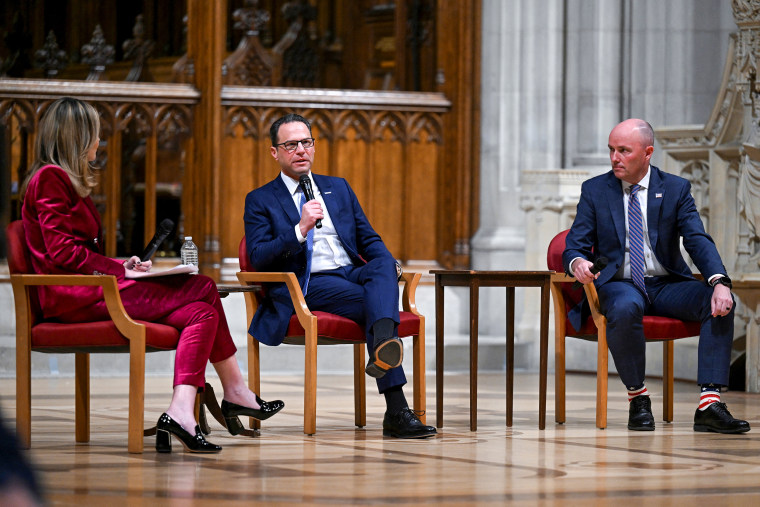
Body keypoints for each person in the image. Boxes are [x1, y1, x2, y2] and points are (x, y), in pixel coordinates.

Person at [20, 97, 284, 454]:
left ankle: (181, 412)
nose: (100, 143)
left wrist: (120, 263)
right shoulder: (50, 178)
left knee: (202, 311)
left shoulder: (60, 179)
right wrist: (117, 269)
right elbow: (62, 253)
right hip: (74, 297)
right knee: (203, 286)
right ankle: (235, 391)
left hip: (91, 288)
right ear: (76, 138)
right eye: (96, 135)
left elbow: (75, 250)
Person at [243, 113, 436, 438]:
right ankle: (397, 409)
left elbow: (369, 239)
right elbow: (258, 257)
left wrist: (390, 268)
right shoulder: (261, 199)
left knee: (383, 265)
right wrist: (299, 229)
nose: (301, 150)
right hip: (309, 282)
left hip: (352, 272)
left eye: (306, 142)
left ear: (314, 146)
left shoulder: (337, 188)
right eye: (291, 145)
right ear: (275, 152)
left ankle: (385, 343)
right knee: (376, 304)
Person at [563, 118, 750, 434]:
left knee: (719, 300)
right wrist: (578, 262)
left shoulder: (675, 189)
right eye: (612, 150)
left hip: (665, 284)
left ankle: (709, 404)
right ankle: (638, 398)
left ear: (647, 152)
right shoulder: (595, 190)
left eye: (624, 150)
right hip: (618, 283)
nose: (614, 158)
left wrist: (719, 281)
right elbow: (573, 246)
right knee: (624, 306)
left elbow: (696, 239)